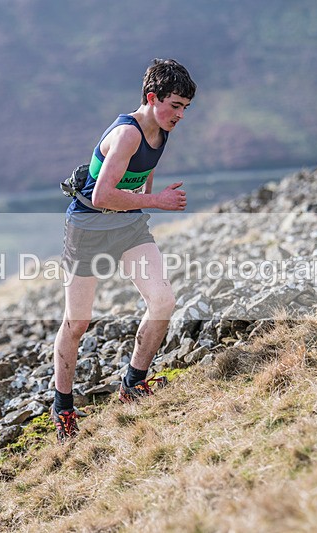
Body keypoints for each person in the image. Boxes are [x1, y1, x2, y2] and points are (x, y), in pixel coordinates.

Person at [50, 58, 197, 442]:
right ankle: (63, 407)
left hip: (128, 226)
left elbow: (143, 178)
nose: (180, 115)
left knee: (163, 301)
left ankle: (133, 383)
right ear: (152, 97)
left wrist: (149, 198)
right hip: (89, 229)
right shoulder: (128, 134)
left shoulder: (161, 130)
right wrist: (160, 202)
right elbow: (100, 196)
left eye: (185, 108)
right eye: (175, 105)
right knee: (78, 322)